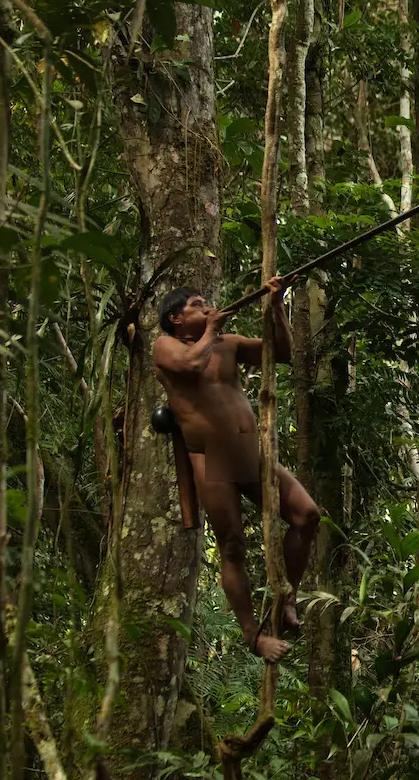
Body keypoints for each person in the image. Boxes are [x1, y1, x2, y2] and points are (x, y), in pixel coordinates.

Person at [153, 277, 319, 662]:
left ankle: (288, 596)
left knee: (306, 515)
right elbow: (192, 366)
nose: (207, 307)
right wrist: (211, 330)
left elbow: (280, 352)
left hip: (250, 451)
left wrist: (276, 304)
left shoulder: (228, 344)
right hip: (209, 454)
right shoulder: (167, 346)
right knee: (232, 545)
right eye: (198, 304)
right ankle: (252, 635)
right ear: (177, 318)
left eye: (207, 303)